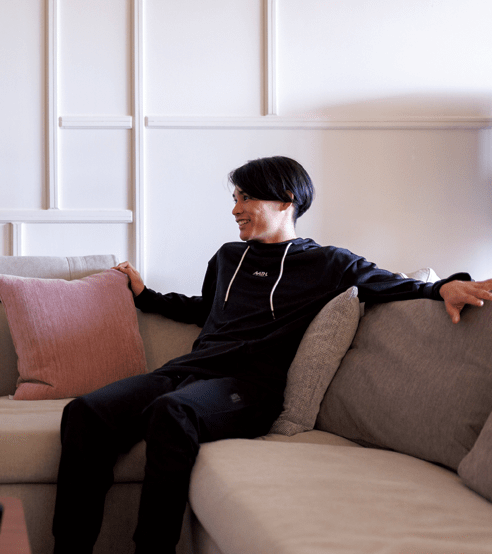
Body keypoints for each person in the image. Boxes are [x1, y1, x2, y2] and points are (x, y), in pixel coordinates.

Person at [51, 155, 492, 554]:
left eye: (246, 197)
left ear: (285, 199)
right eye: (235, 198)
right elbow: (208, 310)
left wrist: (443, 287)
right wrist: (145, 296)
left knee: (173, 413)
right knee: (85, 412)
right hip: (189, 371)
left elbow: (394, 284)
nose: (235, 209)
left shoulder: (328, 263)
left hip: (250, 387)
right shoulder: (227, 257)